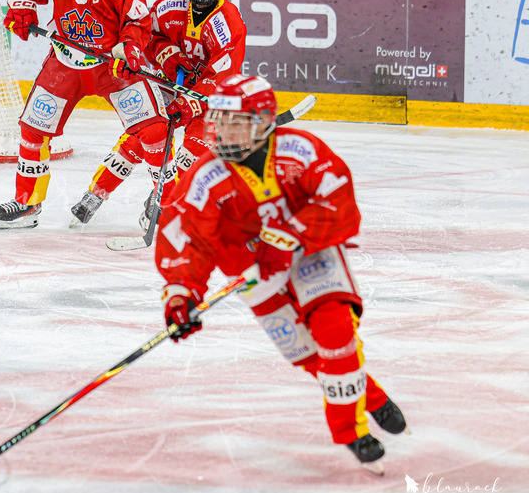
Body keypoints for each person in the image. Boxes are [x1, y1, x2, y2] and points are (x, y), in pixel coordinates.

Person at [154, 74, 408, 468]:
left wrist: (288, 237)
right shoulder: (205, 176)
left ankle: (351, 431)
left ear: (263, 122)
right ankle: (371, 396)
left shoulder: (300, 150)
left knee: (336, 331)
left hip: (311, 252)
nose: (222, 131)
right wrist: (181, 294)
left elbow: (338, 200)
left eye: (235, 121)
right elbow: (188, 237)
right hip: (251, 270)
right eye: (219, 120)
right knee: (307, 352)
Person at [0, 0, 165, 230]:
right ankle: (27, 203)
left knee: (153, 129)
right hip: (65, 60)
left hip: (110, 65)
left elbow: (137, 19)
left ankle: (164, 201)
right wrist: (22, 9)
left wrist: (129, 48)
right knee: (33, 130)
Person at [70, 0, 247, 229]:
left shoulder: (229, 22)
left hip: (208, 99)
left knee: (193, 153)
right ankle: (96, 194)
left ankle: (161, 200)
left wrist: (190, 103)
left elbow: (224, 77)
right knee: (143, 136)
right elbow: (144, 35)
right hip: (169, 83)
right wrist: (167, 54)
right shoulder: (168, 7)